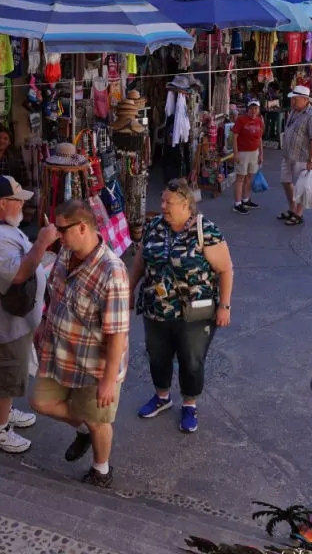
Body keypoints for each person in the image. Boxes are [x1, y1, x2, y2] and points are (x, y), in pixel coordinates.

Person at [30, 201, 130, 489]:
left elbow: (117, 333)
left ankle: (101, 470)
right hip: (59, 351)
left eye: (61, 229)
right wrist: (44, 321)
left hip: (92, 364)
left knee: (100, 420)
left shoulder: (112, 272)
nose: (56, 235)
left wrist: (108, 380)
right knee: (40, 401)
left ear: (82, 227)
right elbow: (54, 293)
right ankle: (85, 427)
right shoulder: (66, 251)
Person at [129, 179, 234, 434]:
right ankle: (162, 397)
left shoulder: (205, 230)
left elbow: (225, 269)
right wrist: (130, 290)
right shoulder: (155, 225)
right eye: (162, 201)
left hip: (194, 313)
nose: (163, 206)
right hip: (156, 308)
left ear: (186, 204)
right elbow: (141, 260)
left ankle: (189, 404)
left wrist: (225, 306)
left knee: (191, 360)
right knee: (157, 355)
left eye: (169, 202)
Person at [0, 176, 60, 453]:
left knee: (10, 371)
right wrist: (43, 242)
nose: (24, 205)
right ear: (2, 203)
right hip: (2, 325)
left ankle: (5, 413)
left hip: (12, 321)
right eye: (18, 200)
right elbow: (19, 274)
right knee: (4, 374)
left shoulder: (0, 227)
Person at [279, 85, 312, 227]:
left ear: (304, 100)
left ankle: (298, 214)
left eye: (295, 99)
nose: (292, 102)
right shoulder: (294, 111)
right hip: (288, 154)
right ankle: (292, 208)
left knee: (302, 186)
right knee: (285, 181)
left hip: (302, 157)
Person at [232, 99, 265, 215]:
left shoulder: (259, 121)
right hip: (243, 153)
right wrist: (235, 153)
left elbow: (259, 138)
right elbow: (234, 137)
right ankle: (237, 203)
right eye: (251, 108)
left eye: (256, 108)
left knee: (249, 177)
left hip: (254, 152)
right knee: (240, 178)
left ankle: (246, 199)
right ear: (248, 109)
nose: (253, 110)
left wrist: (261, 153)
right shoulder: (241, 120)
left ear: (258, 110)